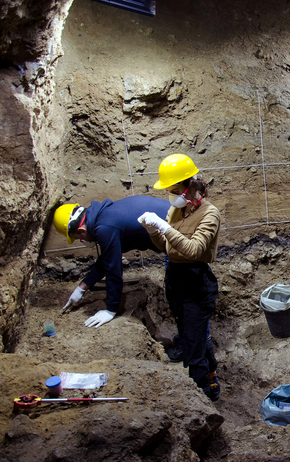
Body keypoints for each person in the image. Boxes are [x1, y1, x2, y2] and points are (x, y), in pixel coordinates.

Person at [138, 153, 222, 401]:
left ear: (189, 188)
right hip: (176, 278)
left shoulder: (210, 214)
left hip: (196, 282)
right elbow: (166, 245)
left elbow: (195, 250)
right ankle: (212, 376)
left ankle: (203, 395)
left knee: (194, 348)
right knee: (191, 335)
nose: (171, 195)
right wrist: (153, 231)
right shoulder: (177, 211)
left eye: (174, 190)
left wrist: (164, 228)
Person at [53, 196, 171, 327]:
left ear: (81, 230)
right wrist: (81, 288)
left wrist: (110, 310)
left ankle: (184, 342)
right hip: (177, 225)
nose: (82, 241)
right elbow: (107, 257)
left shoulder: (105, 228)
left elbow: (113, 270)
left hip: (179, 235)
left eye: (79, 238)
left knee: (179, 292)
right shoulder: (103, 214)